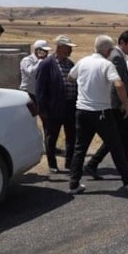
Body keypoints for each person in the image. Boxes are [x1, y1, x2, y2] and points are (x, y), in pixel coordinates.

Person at [67, 35, 128, 195]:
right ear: (108, 50)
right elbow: (119, 84)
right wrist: (125, 103)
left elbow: (70, 77)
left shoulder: (83, 61)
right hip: (101, 112)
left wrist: (85, 85)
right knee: (116, 145)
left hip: (82, 110)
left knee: (80, 148)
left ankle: (74, 184)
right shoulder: (106, 64)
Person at [84, 31, 128, 180]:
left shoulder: (117, 56)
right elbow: (117, 82)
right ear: (122, 43)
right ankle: (94, 164)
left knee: (121, 137)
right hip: (116, 104)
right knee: (118, 137)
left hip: (115, 103)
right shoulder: (117, 57)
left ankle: (122, 165)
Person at [35, 35, 77, 174]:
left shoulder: (70, 64)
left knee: (71, 136)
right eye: (68, 48)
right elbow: (40, 89)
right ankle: (52, 164)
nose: (70, 50)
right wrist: (42, 109)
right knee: (52, 137)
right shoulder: (46, 64)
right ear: (59, 47)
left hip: (70, 106)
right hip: (53, 108)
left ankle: (69, 163)